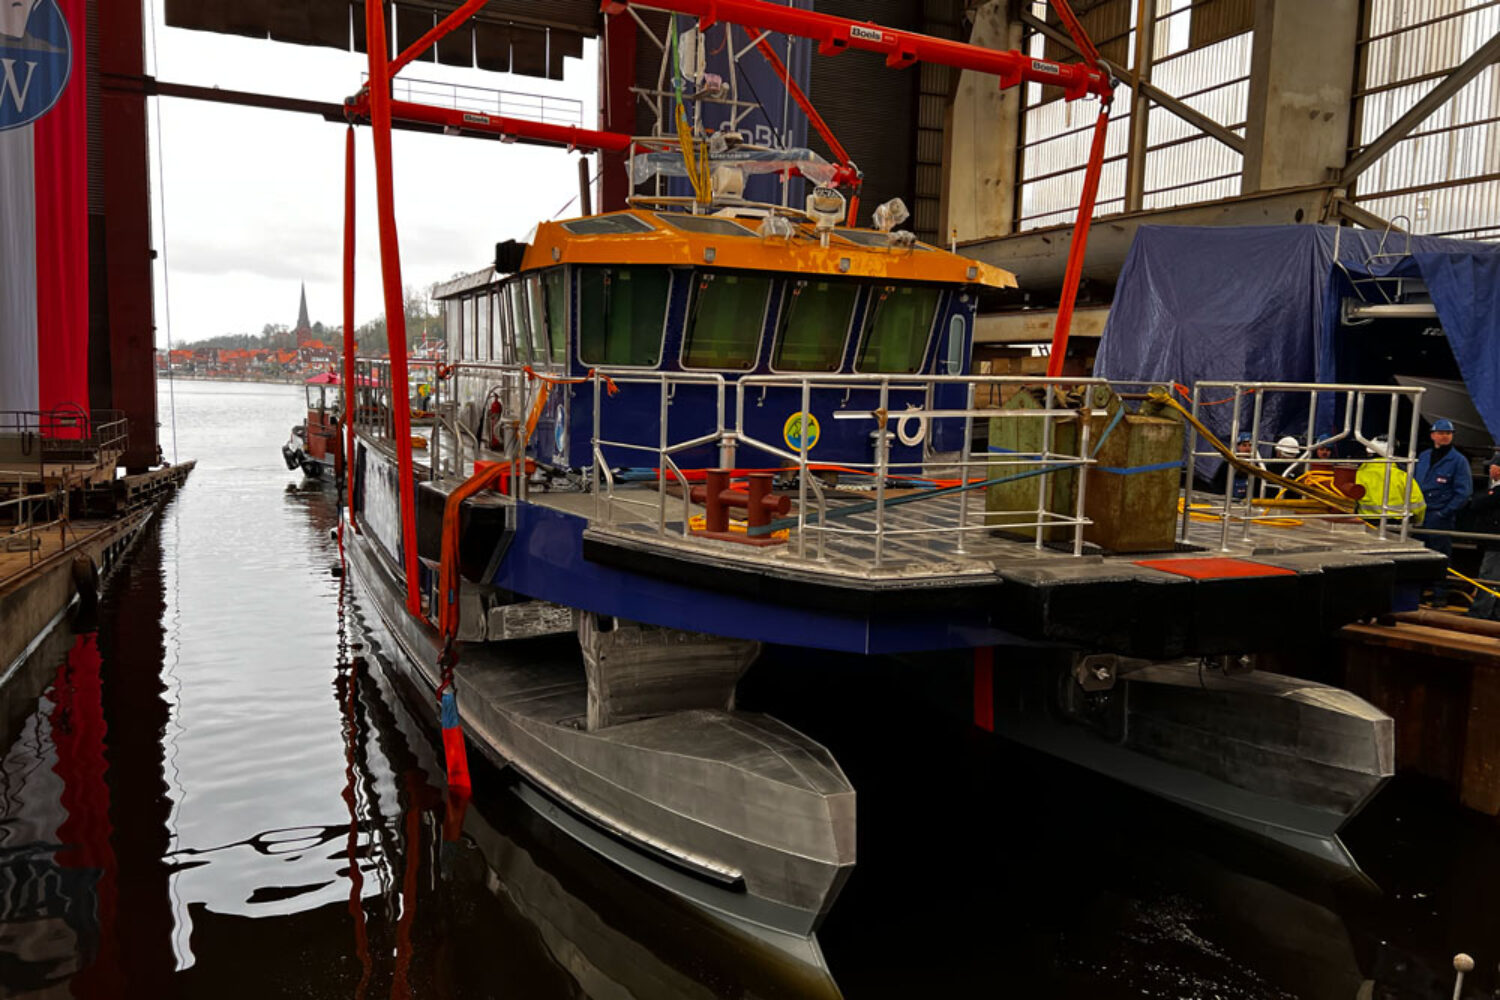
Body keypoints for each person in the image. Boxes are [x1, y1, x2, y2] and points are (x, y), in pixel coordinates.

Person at [1415, 418, 1472, 604]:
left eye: (1448, 433)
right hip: (1420, 514)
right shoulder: (1423, 457)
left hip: (1440, 515)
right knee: (1418, 555)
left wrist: (1445, 512)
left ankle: (1439, 595)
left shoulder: (1458, 461)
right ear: (1432, 435)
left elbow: (1464, 492)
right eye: (1441, 433)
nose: (1444, 436)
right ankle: (1420, 592)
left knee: (1440, 556)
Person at [1355, 436, 1426, 525]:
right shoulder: (1401, 475)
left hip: (1366, 524)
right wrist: (1418, 522)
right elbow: (1418, 505)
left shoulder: (1359, 474)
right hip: (1396, 526)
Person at [1463, 452, 1500, 620]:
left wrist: (1481, 498)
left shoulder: (1497, 491)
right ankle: (1494, 612)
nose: (1490, 468)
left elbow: (1480, 502)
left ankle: (1480, 612)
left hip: (1496, 542)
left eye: (1493, 465)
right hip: (1492, 540)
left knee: (1489, 575)